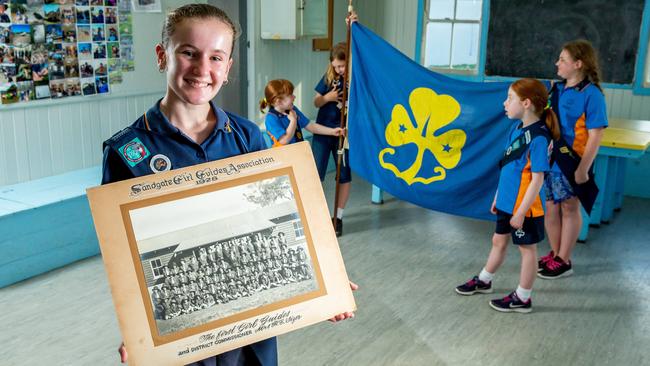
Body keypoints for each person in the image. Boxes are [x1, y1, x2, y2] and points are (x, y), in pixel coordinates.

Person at [101, 4, 355, 365]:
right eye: (189, 53)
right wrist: (135, 329)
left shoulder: (247, 136)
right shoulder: (126, 152)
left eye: (216, 57)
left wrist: (325, 286)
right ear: (162, 56)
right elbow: (125, 260)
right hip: (183, 335)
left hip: (250, 333)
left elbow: (279, 219)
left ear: (228, 67)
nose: (203, 69)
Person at [455, 78, 559, 313]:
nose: (505, 103)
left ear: (526, 103)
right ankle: (484, 280)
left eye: (509, 98)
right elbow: (509, 167)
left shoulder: (540, 138)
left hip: (525, 207)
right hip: (507, 202)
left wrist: (521, 211)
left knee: (527, 249)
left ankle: (523, 297)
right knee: (498, 241)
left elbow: (538, 179)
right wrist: (498, 197)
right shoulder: (516, 128)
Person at [537, 40, 608, 279]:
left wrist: (583, 169)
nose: (557, 63)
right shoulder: (555, 90)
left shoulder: (592, 95)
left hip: (574, 162)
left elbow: (596, 134)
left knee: (569, 207)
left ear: (578, 64)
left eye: (563, 60)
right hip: (550, 161)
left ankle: (564, 260)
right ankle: (555, 253)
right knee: (550, 208)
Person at [260, 78, 343, 147]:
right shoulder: (271, 118)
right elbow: (284, 140)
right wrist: (293, 121)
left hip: (298, 153)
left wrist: (332, 131)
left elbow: (311, 126)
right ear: (279, 102)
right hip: (283, 159)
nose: (294, 97)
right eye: (290, 95)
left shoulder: (293, 110)